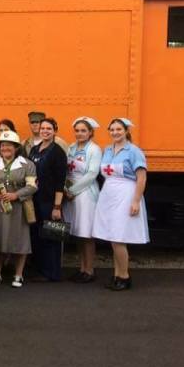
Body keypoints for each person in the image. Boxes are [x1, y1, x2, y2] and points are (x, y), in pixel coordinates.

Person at [92, 118, 149, 291]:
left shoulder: (134, 151)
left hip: (126, 194)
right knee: (112, 237)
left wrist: (136, 200)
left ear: (126, 131)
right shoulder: (108, 150)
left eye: (119, 129)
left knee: (119, 238)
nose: (115, 132)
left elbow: (142, 177)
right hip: (109, 194)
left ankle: (124, 276)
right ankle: (117, 275)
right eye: (112, 129)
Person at [0, 130, 38, 288]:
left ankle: (18, 274)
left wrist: (16, 195)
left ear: (16, 147)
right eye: (3, 145)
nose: (6, 148)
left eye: (9, 145)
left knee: (20, 240)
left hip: (18, 208)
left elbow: (32, 186)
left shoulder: (27, 164)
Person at [28, 118, 67, 282]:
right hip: (35, 199)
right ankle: (40, 269)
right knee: (37, 236)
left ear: (55, 131)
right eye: (43, 128)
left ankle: (52, 273)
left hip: (49, 201)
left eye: (48, 129)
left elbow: (60, 181)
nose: (45, 131)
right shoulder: (35, 149)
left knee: (51, 237)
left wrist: (57, 206)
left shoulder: (57, 152)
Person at [65, 117, 102, 283]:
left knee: (87, 234)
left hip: (85, 193)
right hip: (71, 193)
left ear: (90, 133)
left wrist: (73, 190)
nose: (79, 134)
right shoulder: (71, 148)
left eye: (83, 131)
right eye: (77, 130)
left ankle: (90, 270)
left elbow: (92, 174)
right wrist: (65, 189)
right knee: (78, 234)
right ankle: (82, 268)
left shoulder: (94, 150)